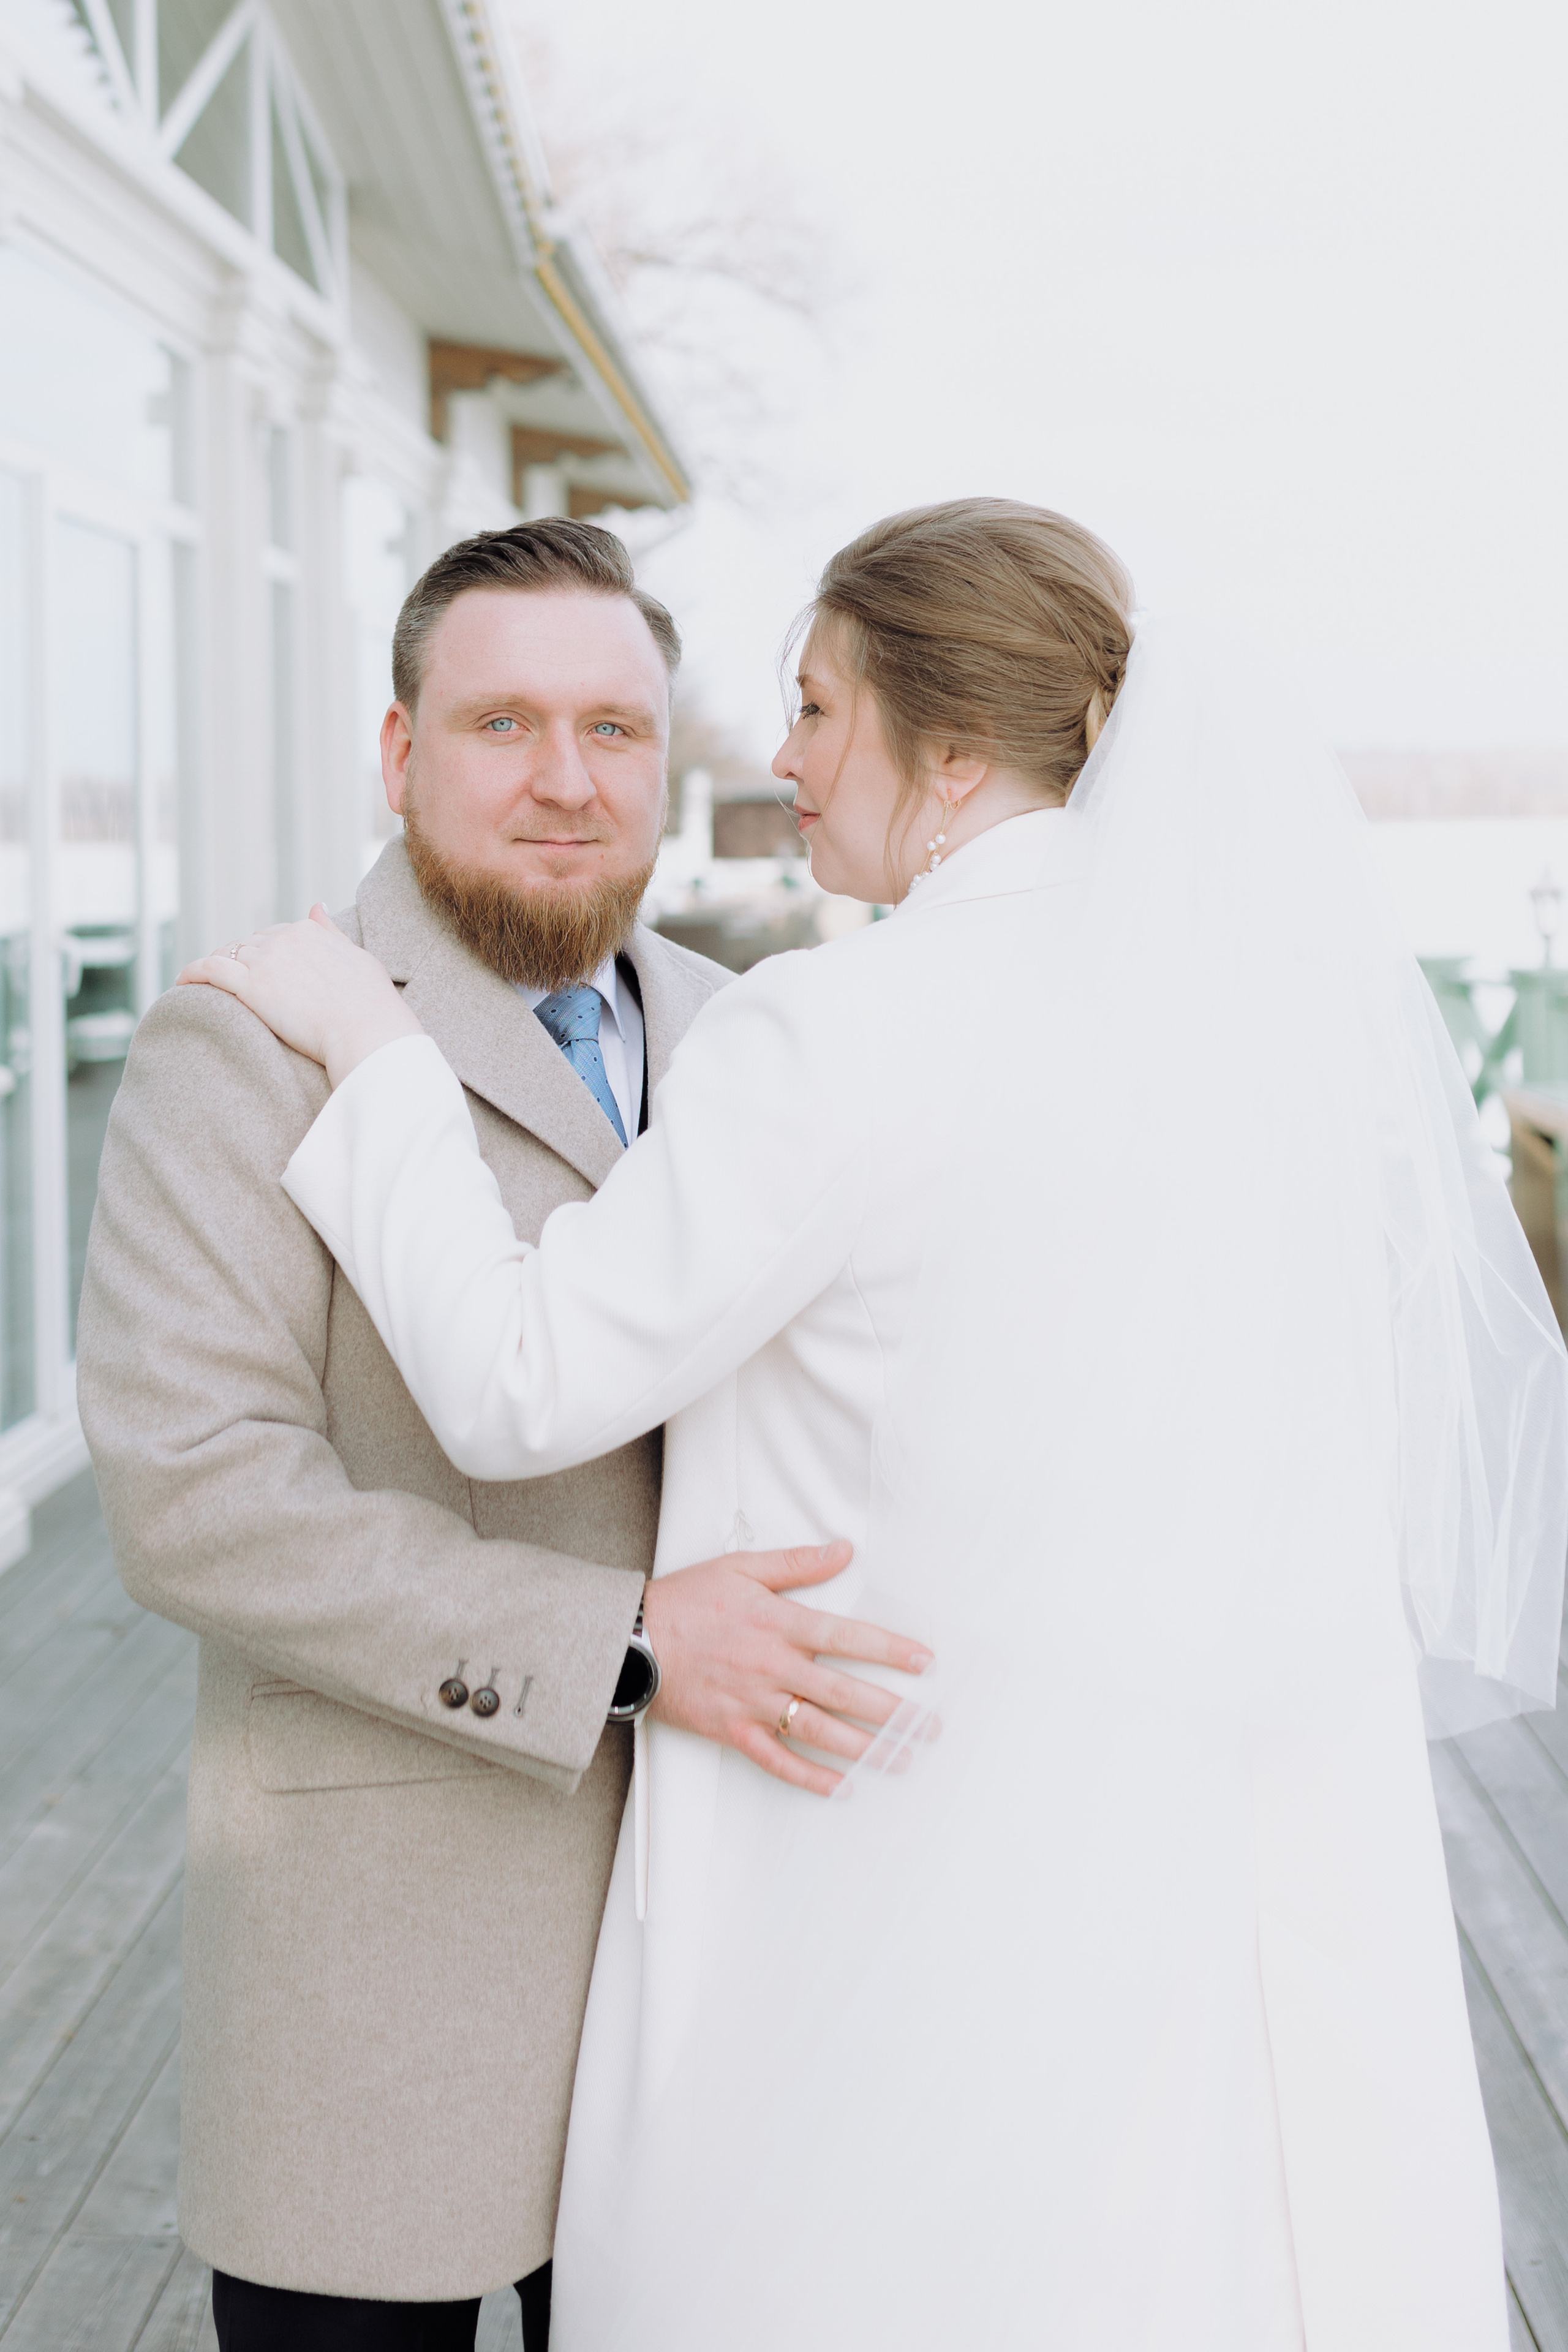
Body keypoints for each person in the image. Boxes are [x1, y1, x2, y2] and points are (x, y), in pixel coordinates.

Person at [184, 499, 1568, 2351]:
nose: (782, 757)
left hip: (851, 1796)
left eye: (822, 708)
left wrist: (376, 1062)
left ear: (957, 754)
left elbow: (525, 1381)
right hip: (1145, 1845)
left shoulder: (834, 1032)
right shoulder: (1244, 1055)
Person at [77, 518, 928, 2352]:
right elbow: (196, 1497)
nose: (566, 782)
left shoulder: (750, 1034)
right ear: (399, 755)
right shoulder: (248, 1044)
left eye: (615, 731)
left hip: (727, 1945)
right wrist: (620, 1639)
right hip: (386, 1972)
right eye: (503, 726)